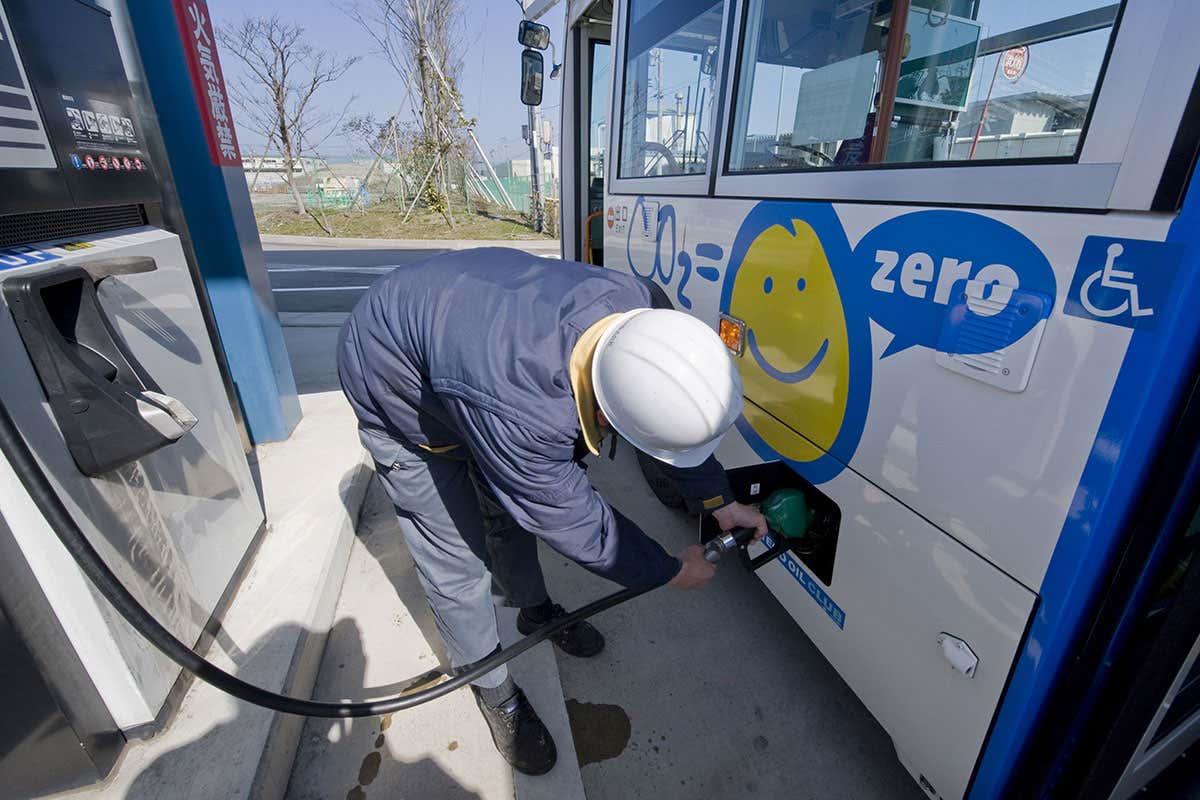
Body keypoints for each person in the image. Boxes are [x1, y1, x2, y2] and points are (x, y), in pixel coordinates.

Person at [337, 247, 767, 775]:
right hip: (396, 383)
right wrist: (669, 570)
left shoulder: (650, 314)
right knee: (457, 561)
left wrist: (719, 501)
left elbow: (667, 424)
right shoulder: (525, 409)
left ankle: (534, 608)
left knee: (509, 510)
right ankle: (496, 692)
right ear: (608, 410)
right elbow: (573, 520)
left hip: (463, 338)